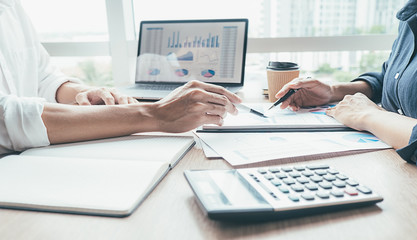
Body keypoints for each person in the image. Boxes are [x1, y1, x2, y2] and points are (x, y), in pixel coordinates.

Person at [0, 0, 241, 154]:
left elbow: (45, 78)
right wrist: (155, 114)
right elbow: (7, 119)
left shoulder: (12, 8)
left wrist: (85, 92)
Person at [275, 0, 417, 172]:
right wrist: (333, 91)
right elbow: (394, 77)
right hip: (392, 167)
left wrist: (369, 115)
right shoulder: (416, 11)